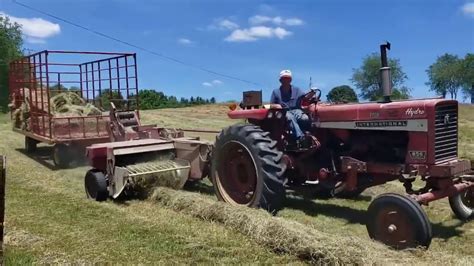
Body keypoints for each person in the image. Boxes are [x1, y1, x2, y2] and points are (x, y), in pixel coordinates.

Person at [270, 70, 313, 148]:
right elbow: (271, 105)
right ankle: (301, 138)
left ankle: (309, 134)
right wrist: (277, 106)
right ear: (280, 80)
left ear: (290, 80)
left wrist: (311, 93)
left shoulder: (297, 90)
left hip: (296, 110)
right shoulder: (276, 92)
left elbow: (305, 98)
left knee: (305, 118)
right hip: (283, 111)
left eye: (288, 78)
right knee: (289, 117)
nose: (286, 80)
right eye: (284, 78)